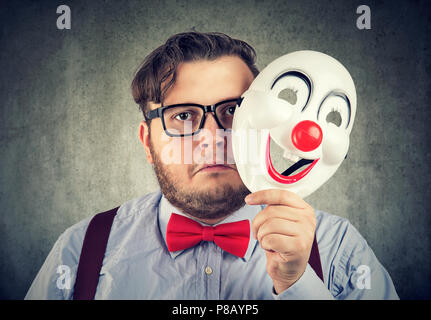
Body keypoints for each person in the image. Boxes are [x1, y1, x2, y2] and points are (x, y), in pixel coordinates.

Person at [25, 31, 398, 300]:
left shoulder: (339, 249)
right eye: (183, 115)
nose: (211, 137)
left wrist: (299, 284)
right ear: (147, 143)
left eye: (233, 111)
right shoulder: (80, 250)